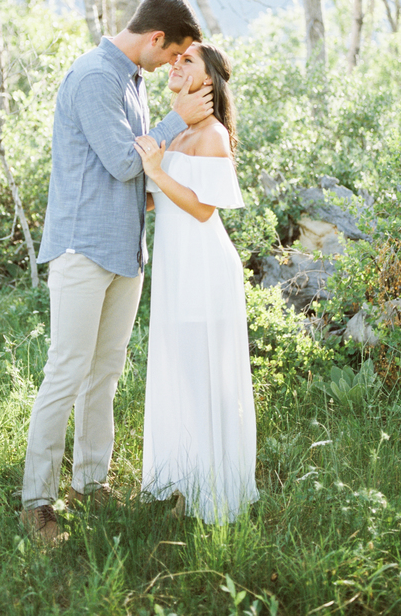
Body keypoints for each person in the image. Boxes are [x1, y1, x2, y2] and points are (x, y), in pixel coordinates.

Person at [21, 0, 213, 542]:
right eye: (174, 54)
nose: (173, 65)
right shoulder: (94, 78)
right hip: (83, 248)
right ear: (156, 38)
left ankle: (92, 485)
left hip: (126, 252)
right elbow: (127, 162)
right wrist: (177, 120)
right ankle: (37, 504)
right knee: (67, 372)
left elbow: (138, 177)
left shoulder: (131, 81)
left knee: (104, 374)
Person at [135, 42, 258, 525]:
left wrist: (155, 170)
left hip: (205, 269)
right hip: (174, 268)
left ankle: (214, 493)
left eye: (187, 61)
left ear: (207, 81)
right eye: (174, 59)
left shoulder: (211, 135)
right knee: (182, 376)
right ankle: (186, 484)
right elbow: (154, 201)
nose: (175, 64)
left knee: (205, 377)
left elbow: (203, 207)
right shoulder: (178, 133)